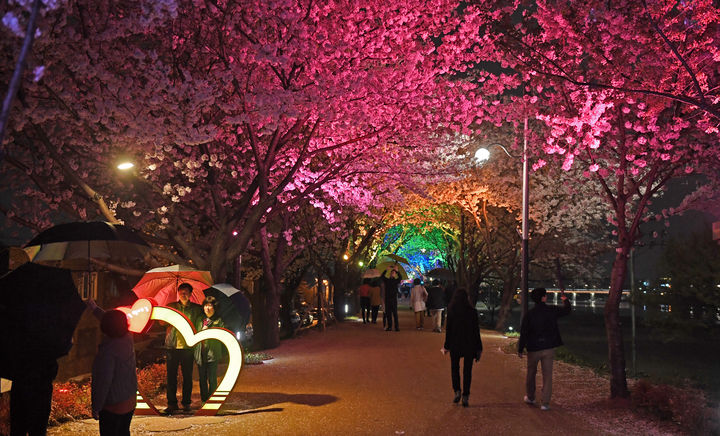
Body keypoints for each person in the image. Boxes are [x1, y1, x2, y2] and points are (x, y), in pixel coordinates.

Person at [518, 287, 572, 411]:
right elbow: (567, 310)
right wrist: (565, 299)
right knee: (547, 375)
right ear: (543, 298)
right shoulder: (551, 310)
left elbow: (524, 332)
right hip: (548, 347)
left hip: (533, 348)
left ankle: (531, 397)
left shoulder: (529, 314)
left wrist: (521, 348)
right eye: (545, 295)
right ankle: (545, 403)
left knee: (531, 374)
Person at [91, 309, 137, 436]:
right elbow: (114, 323)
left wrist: (96, 406)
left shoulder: (108, 352)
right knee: (124, 432)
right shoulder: (128, 338)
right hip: (129, 401)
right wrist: (94, 309)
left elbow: (103, 382)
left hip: (113, 406)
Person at [164, 282, 203, 413]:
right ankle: (171, 403)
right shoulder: (171, 307)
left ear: (191, 294)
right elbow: (161, 322)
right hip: (172, 346)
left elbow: (201, 323)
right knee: (171, 377)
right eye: (181, 293)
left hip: (188, 347)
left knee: (187, 376)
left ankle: (186, 403)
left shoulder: (196, 309)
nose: (183, 295)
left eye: (185, 292)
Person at [442, 288, 482, 407]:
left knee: (455, 368)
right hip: (469, 344)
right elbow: (476, 331)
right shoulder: (472, 311)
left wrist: (446, 345)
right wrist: (479, 347)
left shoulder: (452, 310)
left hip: (455, 343)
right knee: (467, 371)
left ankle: (457, 391)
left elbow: (448, 330)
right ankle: (466, 395)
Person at [195, 296, 225, 403]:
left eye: (210, 305)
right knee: (202, 378)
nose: (207, 308)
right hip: (200, 352)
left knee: (212, 378)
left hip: (213, 353)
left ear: (214, 307)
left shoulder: (218, 320)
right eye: (206, 305)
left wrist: (209, 330)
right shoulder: (199, 320)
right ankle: (204, 400)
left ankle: (212, 400)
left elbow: (220, 334)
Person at [380, 266, 402, 331]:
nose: (392, 274)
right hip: (387, 299)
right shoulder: (387, 280)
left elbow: (400, 277)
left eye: (394, 273)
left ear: (395, 274)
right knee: (388, 314)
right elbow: (382, 277)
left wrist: (397, 271)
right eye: (392, 273)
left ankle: (396, 327)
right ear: (390, 274)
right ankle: (389, 327)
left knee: (395, 314)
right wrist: (386, 270)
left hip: (393, 299)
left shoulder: (396, 281)